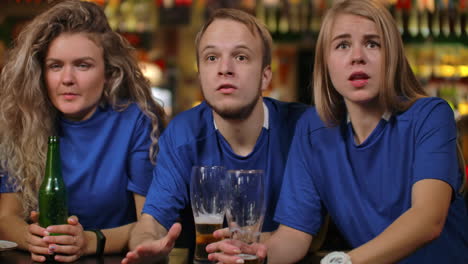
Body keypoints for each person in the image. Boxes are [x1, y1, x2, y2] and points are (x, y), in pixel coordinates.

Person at [207, 0, 468, 263]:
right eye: (342, 45)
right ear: (326, 63)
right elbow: (294, 236)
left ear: (393, 57)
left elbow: (428, 220)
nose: (357, 56)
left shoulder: (430, 115)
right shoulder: (312, 130)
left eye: (372, 44)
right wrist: (253, 255)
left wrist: (344, 261)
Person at [121, 8, 309, 264]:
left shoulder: (302, 128)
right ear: (201, 77)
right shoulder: (183, 133)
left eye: (241, 57)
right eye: (211, 58)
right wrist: (146, 245)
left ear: (266, 76)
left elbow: (301, 236)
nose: (224, 69)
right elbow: (151, 222)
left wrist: (252, 253)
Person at [0, 0, 165, 262]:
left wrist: (89, 240)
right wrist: (33, 237)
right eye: (55, 66)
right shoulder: (24, 119)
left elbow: (152, 226)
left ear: (110, 73)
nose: (67, 79)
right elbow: (7, 216)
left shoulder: (136, 121)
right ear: (41, 73)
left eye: (82, 65)